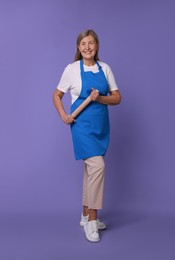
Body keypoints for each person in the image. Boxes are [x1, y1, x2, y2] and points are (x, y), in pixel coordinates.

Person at [53, 29, 121, 242]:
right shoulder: (72, 69)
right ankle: (92, 220)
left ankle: (84, 215)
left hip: (101, 128)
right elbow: (57, 95)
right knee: (98, 167)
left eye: (91, 43)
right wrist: (64, 114)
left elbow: (117, 98)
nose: (87, 47)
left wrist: (100, 98)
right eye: (83, 44)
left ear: (97, 46)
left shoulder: (105, 68)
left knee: (90, 172)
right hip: (81, 126)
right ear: (78, 47)